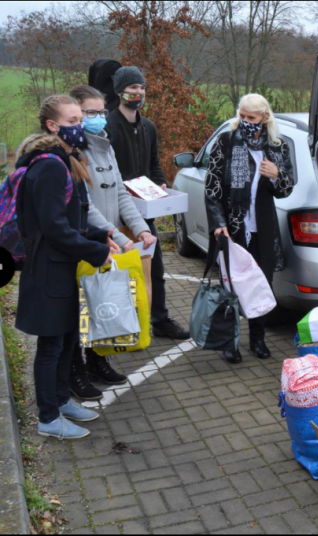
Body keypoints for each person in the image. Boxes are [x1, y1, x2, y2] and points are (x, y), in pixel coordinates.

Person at [15, 95, 115, 440]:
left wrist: (101, 236)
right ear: (52, 126)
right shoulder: (49, 166)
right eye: (73, 121)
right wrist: (95, 252)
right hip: (49, 271)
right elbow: (55, 227)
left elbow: (71, 220)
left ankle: (60, 401)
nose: (81, 126)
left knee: (68, 340)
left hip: (63, 268)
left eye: (80, 119)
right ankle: (47, 417)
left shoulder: (63, 160)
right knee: (51, 346)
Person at [66, 84, 157, 400]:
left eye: (100, 112)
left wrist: (140, 229)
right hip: (88, 240)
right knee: (80, 307)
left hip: (108, 241)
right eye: (89, 112)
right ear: (76, 114)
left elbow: (120, 193)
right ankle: (75, 371)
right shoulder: (75, 153)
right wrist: (115, 236)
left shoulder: (105, 145)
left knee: (101, 301)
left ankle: (97, 361)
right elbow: (86, 205)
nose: (97, 118)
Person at [205, 94, 296, 364]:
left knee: (260, 285)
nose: (244, 122)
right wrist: (218, 223)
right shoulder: (225, 142)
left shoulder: (278, 147)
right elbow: (212, 188)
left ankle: (257, 339)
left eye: (251, 118)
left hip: (262, 228)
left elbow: (286, 190)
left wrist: (276, 175)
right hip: (232, 228)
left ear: (264, 118)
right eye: (241, 116)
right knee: (229, 285)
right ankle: (228, 342)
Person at [105, 66, 190, 340]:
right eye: (132, 88)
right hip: (117, 215)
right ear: (120, 92)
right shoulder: (108, 126)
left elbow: (154, 166)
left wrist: (161, 183)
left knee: (155, 270)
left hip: (146, 214)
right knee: (119, 273)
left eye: (141, 88)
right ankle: (121, 323)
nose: (138, 93)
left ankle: (160, 320)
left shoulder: (148, 127)